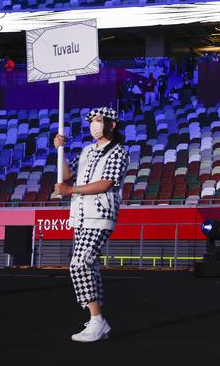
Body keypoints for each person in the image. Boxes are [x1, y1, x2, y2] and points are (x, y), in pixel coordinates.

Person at [53, 107, 129, 342]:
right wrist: (60, 150)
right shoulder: (86, 150)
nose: (94, 125)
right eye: (92, 121)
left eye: (98, 120)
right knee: (90, 267)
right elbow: (66, 175)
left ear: (111, 124)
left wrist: (70, 190)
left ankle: (97, 320)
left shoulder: (118, 152)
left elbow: (106, 183)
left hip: (100, 214)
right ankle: (98, 323)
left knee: (79, 264)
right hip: (81, 215)